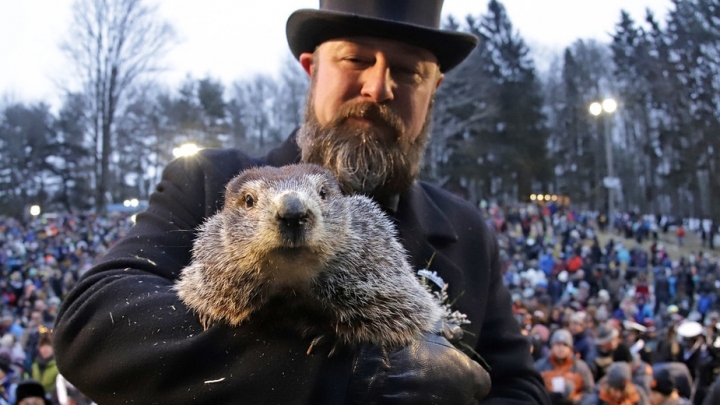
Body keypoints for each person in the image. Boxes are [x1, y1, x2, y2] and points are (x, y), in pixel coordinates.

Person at [51, 1, 549, 404]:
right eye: (356, 59)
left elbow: (519, 387)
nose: (378, 87)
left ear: (434, 88)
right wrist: (347, 378)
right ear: (312, 68)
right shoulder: (207, 180)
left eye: (407, 70)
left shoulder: (466, 231)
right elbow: (94, 325)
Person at [535, 329, 595, 405]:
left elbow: (589, 391)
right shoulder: (540, 366)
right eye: (558, 344)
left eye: (565, 345)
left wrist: (576, 399)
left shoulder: (581, 367)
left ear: (570, 348)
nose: (561, 348)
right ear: (552, 347)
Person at [580, 362, 649, 405]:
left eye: (622, 390)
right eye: (615, 390)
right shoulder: (595, 400)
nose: (618, 394)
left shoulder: (638, 395)